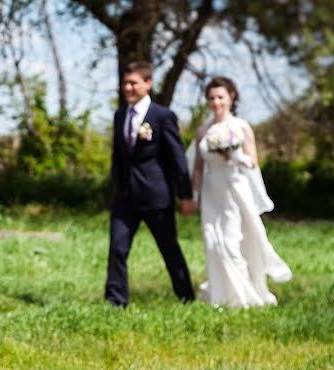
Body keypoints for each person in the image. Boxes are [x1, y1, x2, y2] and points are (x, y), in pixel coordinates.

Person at [190, 76, 292, 308]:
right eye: (211, 98)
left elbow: (253, 161)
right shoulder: (202, 131)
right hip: (211, 191)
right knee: (212, 242)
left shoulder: (241, 127)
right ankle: (220, 295)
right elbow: (198, 167)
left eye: (220, 97)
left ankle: (243, 296)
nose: (216, 102)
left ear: (231, 97)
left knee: (230, 241)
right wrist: (193, 196)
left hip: (234, 189)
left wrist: (235, 156)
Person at [105, 61, 196, 308]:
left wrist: (185, 196)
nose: (127, 88)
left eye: (133, 82)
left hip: (157, 197)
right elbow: (118, 157)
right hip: (126, 198)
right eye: (125, 83)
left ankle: (186, 297)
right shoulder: (120, 115)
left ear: (148, 84)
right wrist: (116, 189)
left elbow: (178, 159)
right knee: (117, 248)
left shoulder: (162, 116)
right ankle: (116, 301)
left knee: (169, 250)